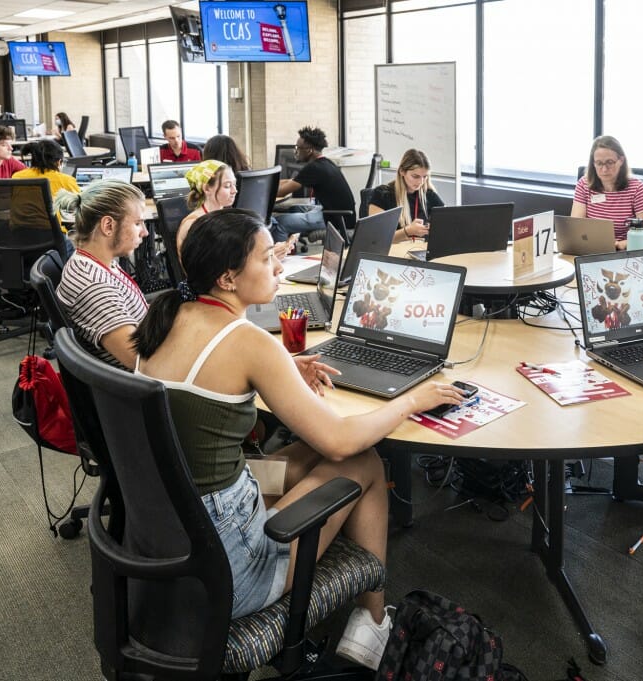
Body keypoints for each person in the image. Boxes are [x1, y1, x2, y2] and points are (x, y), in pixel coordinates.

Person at [131, 208, 465, 669]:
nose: (279, 266)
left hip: (172, 519)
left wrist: (287, 370)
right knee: (364, 461)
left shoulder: (168, 314)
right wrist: (410, 401)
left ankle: (368, 621)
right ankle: (372, 625)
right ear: (228, 278)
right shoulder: (248, 341)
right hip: (226, 563)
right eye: (267, 258)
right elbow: (340, 440)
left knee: (306, 453)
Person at [55, 180, 149, 369]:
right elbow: (141, 362)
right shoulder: (94, 285)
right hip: (140, 386)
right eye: (138, 223)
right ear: (108, 226)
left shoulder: (97, 262)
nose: (145, 232)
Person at [572, 136, 643, 249]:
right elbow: (576, 227)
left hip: (622, 250)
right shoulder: (584, 184)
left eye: (610, 162)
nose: (604, 169)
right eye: (599, 163)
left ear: (621, 160)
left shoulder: (637, 188)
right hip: (590, 248)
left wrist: (621, 244)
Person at [274, 126, 355, 241]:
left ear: (309, 150)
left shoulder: (314, 168)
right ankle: (292, 246)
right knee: (294, 209)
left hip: (334, 218)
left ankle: (281, 255)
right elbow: (291, 181)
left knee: (280, 222)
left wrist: (261, 192)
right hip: (338, 214)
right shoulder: (324, 162)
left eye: (298, 147)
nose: (296, 151)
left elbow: (282, 192)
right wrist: (269, 181)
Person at [368, 148, 444, 243]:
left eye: (424, 177)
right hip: (392, 252)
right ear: (402, 171)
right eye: (415, 176)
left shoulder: (428, 194)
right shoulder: (382, 194)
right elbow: (377, 238)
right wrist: (407, 231)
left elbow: (446, 224)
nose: (420, 182)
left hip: (418, 250)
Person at [177, 159, 237, 255]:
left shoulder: (227, 215)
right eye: (227, 186)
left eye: (234, 184)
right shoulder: (193, 224)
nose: (234, 190)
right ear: (207, 188)